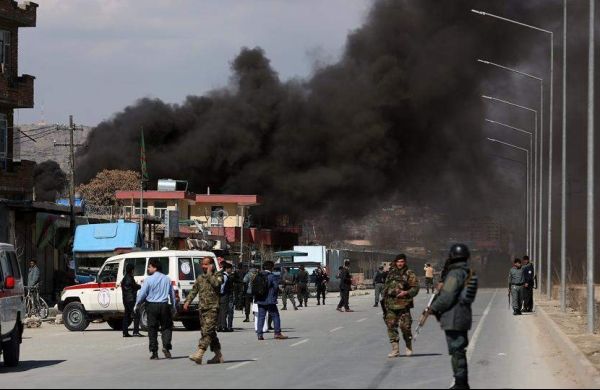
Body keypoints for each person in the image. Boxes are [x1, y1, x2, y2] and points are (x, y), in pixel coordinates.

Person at [429, 244, 478, 390]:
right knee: (459, 350)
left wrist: (433, 308)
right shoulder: (468, 271)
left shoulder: (455, 273)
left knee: (456, 351)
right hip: (462, 315)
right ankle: (461, 382)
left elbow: (447, 296)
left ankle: (461, 383)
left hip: (453, 316)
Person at [184, 257, 225, 365]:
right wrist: (188, 301)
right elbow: (194, 290)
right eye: (202, 264)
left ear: (211, 265)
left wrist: (209, 273)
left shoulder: (218, 275)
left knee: (207, 332)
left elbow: (216, 284)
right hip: (202, 309)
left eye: (206, 264)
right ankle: (218, 355)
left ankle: (199, 353)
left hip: (213, 308)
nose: (203, 266)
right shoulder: (200, 277)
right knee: (209, 332)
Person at [135, 258, 176, 360]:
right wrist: (174, 306)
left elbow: (142, 294)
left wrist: (137, 304)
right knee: (166, 327)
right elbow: (172, 295)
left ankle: (154, 352)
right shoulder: (167, 279)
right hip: (164, 305)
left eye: (149, 266)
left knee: (152, 329)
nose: (148, 268)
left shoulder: (148, 280)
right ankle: (166, 346)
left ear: (155, 267)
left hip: (152, 306)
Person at [383, 254, 419, 358]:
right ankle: (395, 350)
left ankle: (408, 346)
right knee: (391, 327)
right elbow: (385, 287)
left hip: (404, 305)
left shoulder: (409, 273)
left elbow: (415, 288)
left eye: (402, 261)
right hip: (390, 305)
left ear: (405, 262)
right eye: (398, 261)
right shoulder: (390, 273)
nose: (400, 263)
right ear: (395, 262)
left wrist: (406, 293)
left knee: (405, 327)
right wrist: (387, 293)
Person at [255, 260, 288, 341]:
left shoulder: (258, 275)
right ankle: (277, 333)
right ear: (271, 267)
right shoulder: (272, 276)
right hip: (270, 300)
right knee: (275, 316)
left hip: (260, 300)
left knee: (261, 317)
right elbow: (276, 287)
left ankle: (259, 335)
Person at [122, 263, 143, 338]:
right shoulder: (130, 278)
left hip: (125, 299)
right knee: (136, 314)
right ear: (131, 270)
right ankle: (136, 332)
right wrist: (140, 286)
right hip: (131, 299)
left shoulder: (124, 278)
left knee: (126, 315)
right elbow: (134, 287)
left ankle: (125, 332)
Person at [218, 263, 235, 332]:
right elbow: (222, 287)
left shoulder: (224, 276)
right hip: (224, 296)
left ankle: (219, 326)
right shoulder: (225, 277)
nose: (231, 270)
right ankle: (223, 326)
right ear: (227, 269)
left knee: (221, 311)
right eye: (231, 269)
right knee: (224, 312)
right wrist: (222, 294)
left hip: (222, 296)